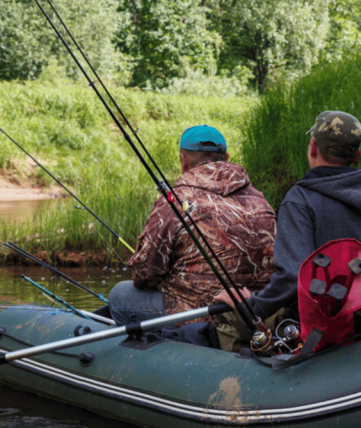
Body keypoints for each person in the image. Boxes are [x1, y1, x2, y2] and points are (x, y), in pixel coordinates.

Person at [214, 111, 361, 339]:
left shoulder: (300, 200)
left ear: (313, 148)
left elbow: (293, 277)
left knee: (225, 322)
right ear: (356, 155)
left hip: (329, 330)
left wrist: (252, 306)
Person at [107, 125, 276, 325]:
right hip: (254, 311)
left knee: (120, 295)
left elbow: (144, 276)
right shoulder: (259, 199)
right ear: (227, 158)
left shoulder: (173, 200)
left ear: (183, 161)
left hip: (201, 316)